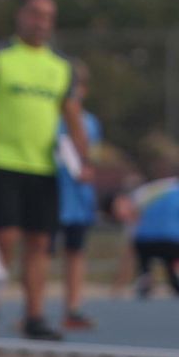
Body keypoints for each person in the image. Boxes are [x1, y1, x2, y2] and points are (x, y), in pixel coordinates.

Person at [0, 0, 92, 341]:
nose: (41, 22)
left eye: (48, 16)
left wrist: (83, 158)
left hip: (43, 168)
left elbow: (73, 115)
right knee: (4, 239)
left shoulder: (61, 67)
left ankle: (34, 316)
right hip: (5, 161)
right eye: (35, 14)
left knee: (39, 243)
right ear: (21, 15)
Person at [55, 61, 102, 330]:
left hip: (78, 200)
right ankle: (33, 309)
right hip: (51, 194)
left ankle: (72, 308)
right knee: (41, 251)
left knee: (75, 252)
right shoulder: (51, 120)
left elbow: (91, 157)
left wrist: (87, 168)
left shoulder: (91, 123)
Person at [123, 159, 179, 298]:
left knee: (145, 261)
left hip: (143, 240)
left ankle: (145, 275)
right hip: (173, 240)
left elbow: (134, 217)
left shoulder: (159, 188)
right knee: (175, 262)